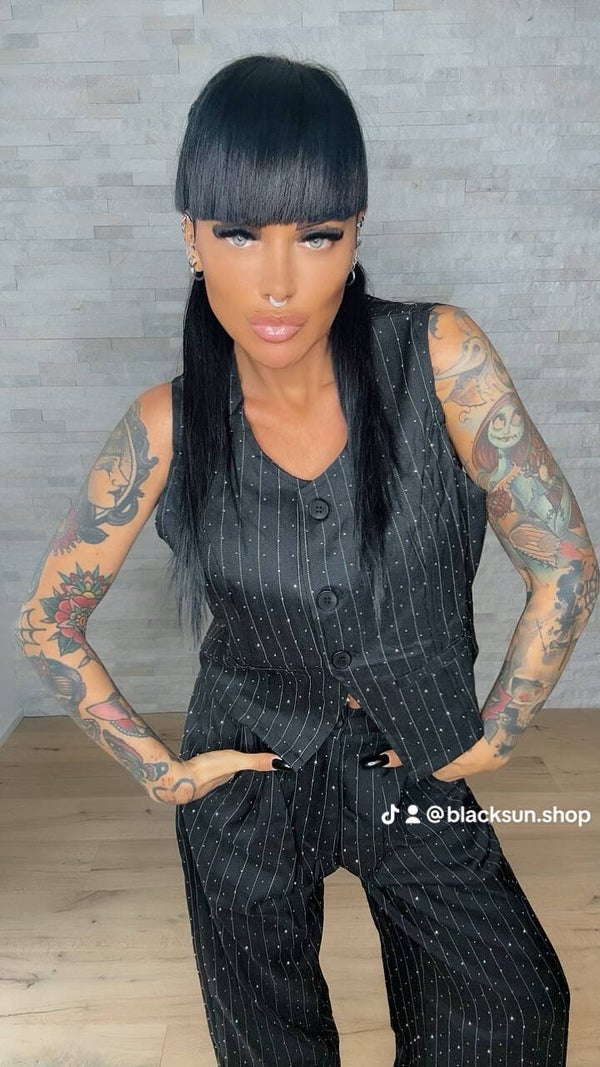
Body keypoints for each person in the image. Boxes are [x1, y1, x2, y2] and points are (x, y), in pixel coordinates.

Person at [16, 52, 598, 1067]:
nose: (278, 281)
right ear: (193, 235)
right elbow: (47, 620)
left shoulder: (440, 359)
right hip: (249, 777)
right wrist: (163, 770)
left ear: (356, 232)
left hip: (410, 758)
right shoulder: (166, 427)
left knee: (512, 1010)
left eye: (317, 234)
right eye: (240, 233)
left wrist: (500, 728)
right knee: (269, 1048)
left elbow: (566, 562)